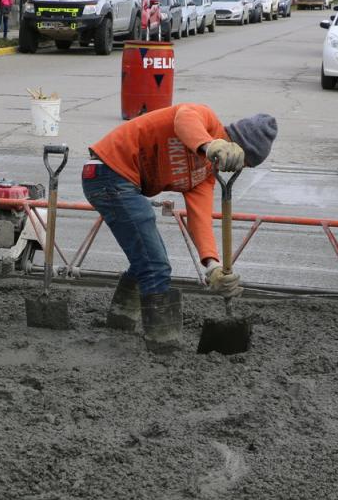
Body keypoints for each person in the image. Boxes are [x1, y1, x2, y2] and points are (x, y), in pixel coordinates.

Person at [82, 105, 279, 353]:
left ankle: (120, 321)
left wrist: (213, 266)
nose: (235, 169)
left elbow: (200, 220)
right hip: (108, 171)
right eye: (241, 162)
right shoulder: (205, 120)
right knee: (156, 265)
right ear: (234, 147)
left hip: (121, 183)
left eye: (243, 166)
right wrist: (209, 146)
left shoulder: (206, 175)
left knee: (145, 259)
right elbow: (183, 118)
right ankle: (163, 346)